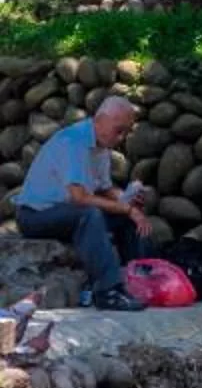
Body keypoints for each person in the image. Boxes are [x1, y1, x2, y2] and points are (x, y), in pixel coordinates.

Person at [15, 94, 148, 310]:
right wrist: (125, 207)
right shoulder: (73, 142)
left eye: (125, 131)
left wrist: (128, 199)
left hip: (66, 211)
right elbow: (79, 197)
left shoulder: (101, 147)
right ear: (101, 119)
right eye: (119, 129)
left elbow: (104, 188)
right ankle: (108, 291)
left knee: (126, 217)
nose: (121, 137)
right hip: (35, 215)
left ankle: (140, 279)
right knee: (89, 214)